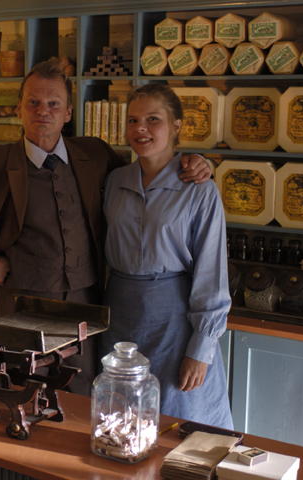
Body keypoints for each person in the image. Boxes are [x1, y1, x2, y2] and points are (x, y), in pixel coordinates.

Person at [0, 58, 210, 395]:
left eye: (54, 103)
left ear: (68, 112)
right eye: (34, 102)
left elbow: (147, 168)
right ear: (19, 109)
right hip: (17, 311)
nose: (44, 111)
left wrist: (195, 162)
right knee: (17, 396)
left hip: (86, 313)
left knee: (81, 402)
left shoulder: (95, 155)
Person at [101, 83, 233, 428]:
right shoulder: (114, 180)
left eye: (153, 119)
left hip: (175, 324)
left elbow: (211, 272)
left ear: (176, 125)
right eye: (133, 120)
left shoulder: (199, 188)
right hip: (118, 319)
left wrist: (200, 349)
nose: (140, 129)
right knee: (120, 422)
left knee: (176, 422)